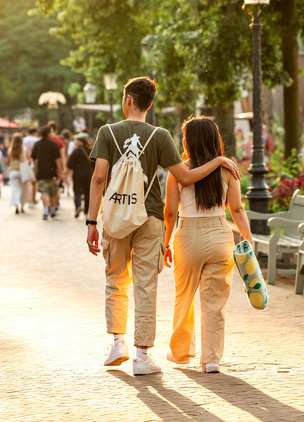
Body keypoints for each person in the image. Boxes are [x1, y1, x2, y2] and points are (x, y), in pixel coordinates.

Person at [86, 77, 240, 376]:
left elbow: (98, 179)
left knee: (116, 278)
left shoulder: (107, 132)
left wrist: (92, 221)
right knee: (146, 283)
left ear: (127, 100)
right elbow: (185, 176)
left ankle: (118, 342)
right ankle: (142, 356)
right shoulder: (160, 136)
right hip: (150, 216)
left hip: (116, 216)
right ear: (150, 103)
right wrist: (219, 159)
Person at [163, 116, 253, 373]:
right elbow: (236, 209)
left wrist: (166, 243)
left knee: (184, 296)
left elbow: (170, 213)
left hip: (187, 237)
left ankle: (181, 353)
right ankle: (211, 359)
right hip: (219, 236)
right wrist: (248, 239)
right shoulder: (228, 170)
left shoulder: (178, 172)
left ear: (189, 142)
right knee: (214, 302)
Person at [32, 125, 62, 221]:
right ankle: (52, 210)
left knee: (44, 192)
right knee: (53, 192)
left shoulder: (37, 144)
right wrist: (60, 171)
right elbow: (57, 160)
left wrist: (36, 168)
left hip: (41, 172)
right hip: (52, 172)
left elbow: (34, 159)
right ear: (48, 133)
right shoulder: (53, 145)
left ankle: (45, 210)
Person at [66, 132, 93, 219]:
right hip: (89, 173)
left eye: (77, 141)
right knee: (88, 192)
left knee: (77, 191)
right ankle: (86, 212)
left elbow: (70, 165)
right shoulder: (92, 151)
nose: (76, 142)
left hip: (78, 173)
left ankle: (78, 207)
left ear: (82, 141)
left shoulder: (76, 151)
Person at [6, 133, 32, 214]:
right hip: (22, 172)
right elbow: (30, 161)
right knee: (23, 190)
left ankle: (16, 205)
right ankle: (22, 206)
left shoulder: (10, 151)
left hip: (13, 171)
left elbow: (8, 162)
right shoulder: (24, 150)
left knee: (15, 189)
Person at [23, 128, 40, 206]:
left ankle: (28, 199)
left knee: (27, 182)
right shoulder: (37, 140)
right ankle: (32, 199)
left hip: (25, 164)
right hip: (34, 164)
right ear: (34, 133)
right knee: (34, 183)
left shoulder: (24, 140)